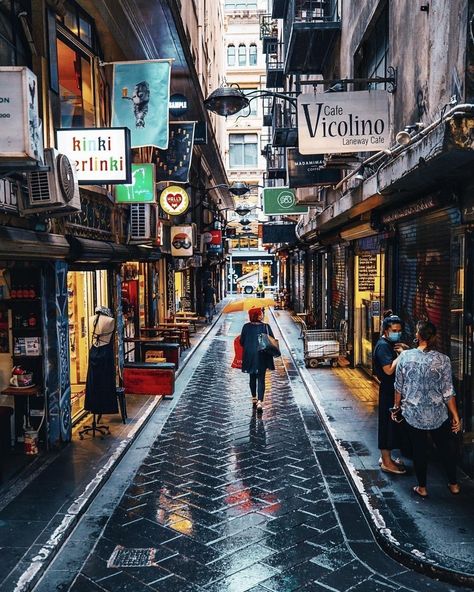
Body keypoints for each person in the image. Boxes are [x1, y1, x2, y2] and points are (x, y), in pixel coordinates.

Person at [394, 320, 462, 498]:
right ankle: (454, 484)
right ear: (433, 338)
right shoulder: (443, 360)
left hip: (413, 413)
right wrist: (455, 416)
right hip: (437, 413)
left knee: (419, 450)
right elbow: (448, 391)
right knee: (445, 448)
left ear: (418, 335)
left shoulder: (405, 357)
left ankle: (422, 487)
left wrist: (396, 408)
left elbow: (399, 387)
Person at [373, 312, 408, 475]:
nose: (398, 333)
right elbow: (388, 370)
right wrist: (402, 355)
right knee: (387, 426)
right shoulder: (382, 346)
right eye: (394, 330)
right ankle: (386, 462)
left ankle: (388, 458)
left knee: (391, 426)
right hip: (388, 390)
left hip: (393, 390)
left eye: (400, 330)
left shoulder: (389, 344)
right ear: (386, 330)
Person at [239, 307, 275, 413]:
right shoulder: (266, 326)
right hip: (262, 354)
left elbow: (242, 342)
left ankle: (254, 397)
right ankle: (260, 401)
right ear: (258, 315)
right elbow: (271, 339)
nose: (262, 315)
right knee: (261, 378)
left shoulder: (246, 327)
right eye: (260, 313)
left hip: (249, 355)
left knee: (252, 376)